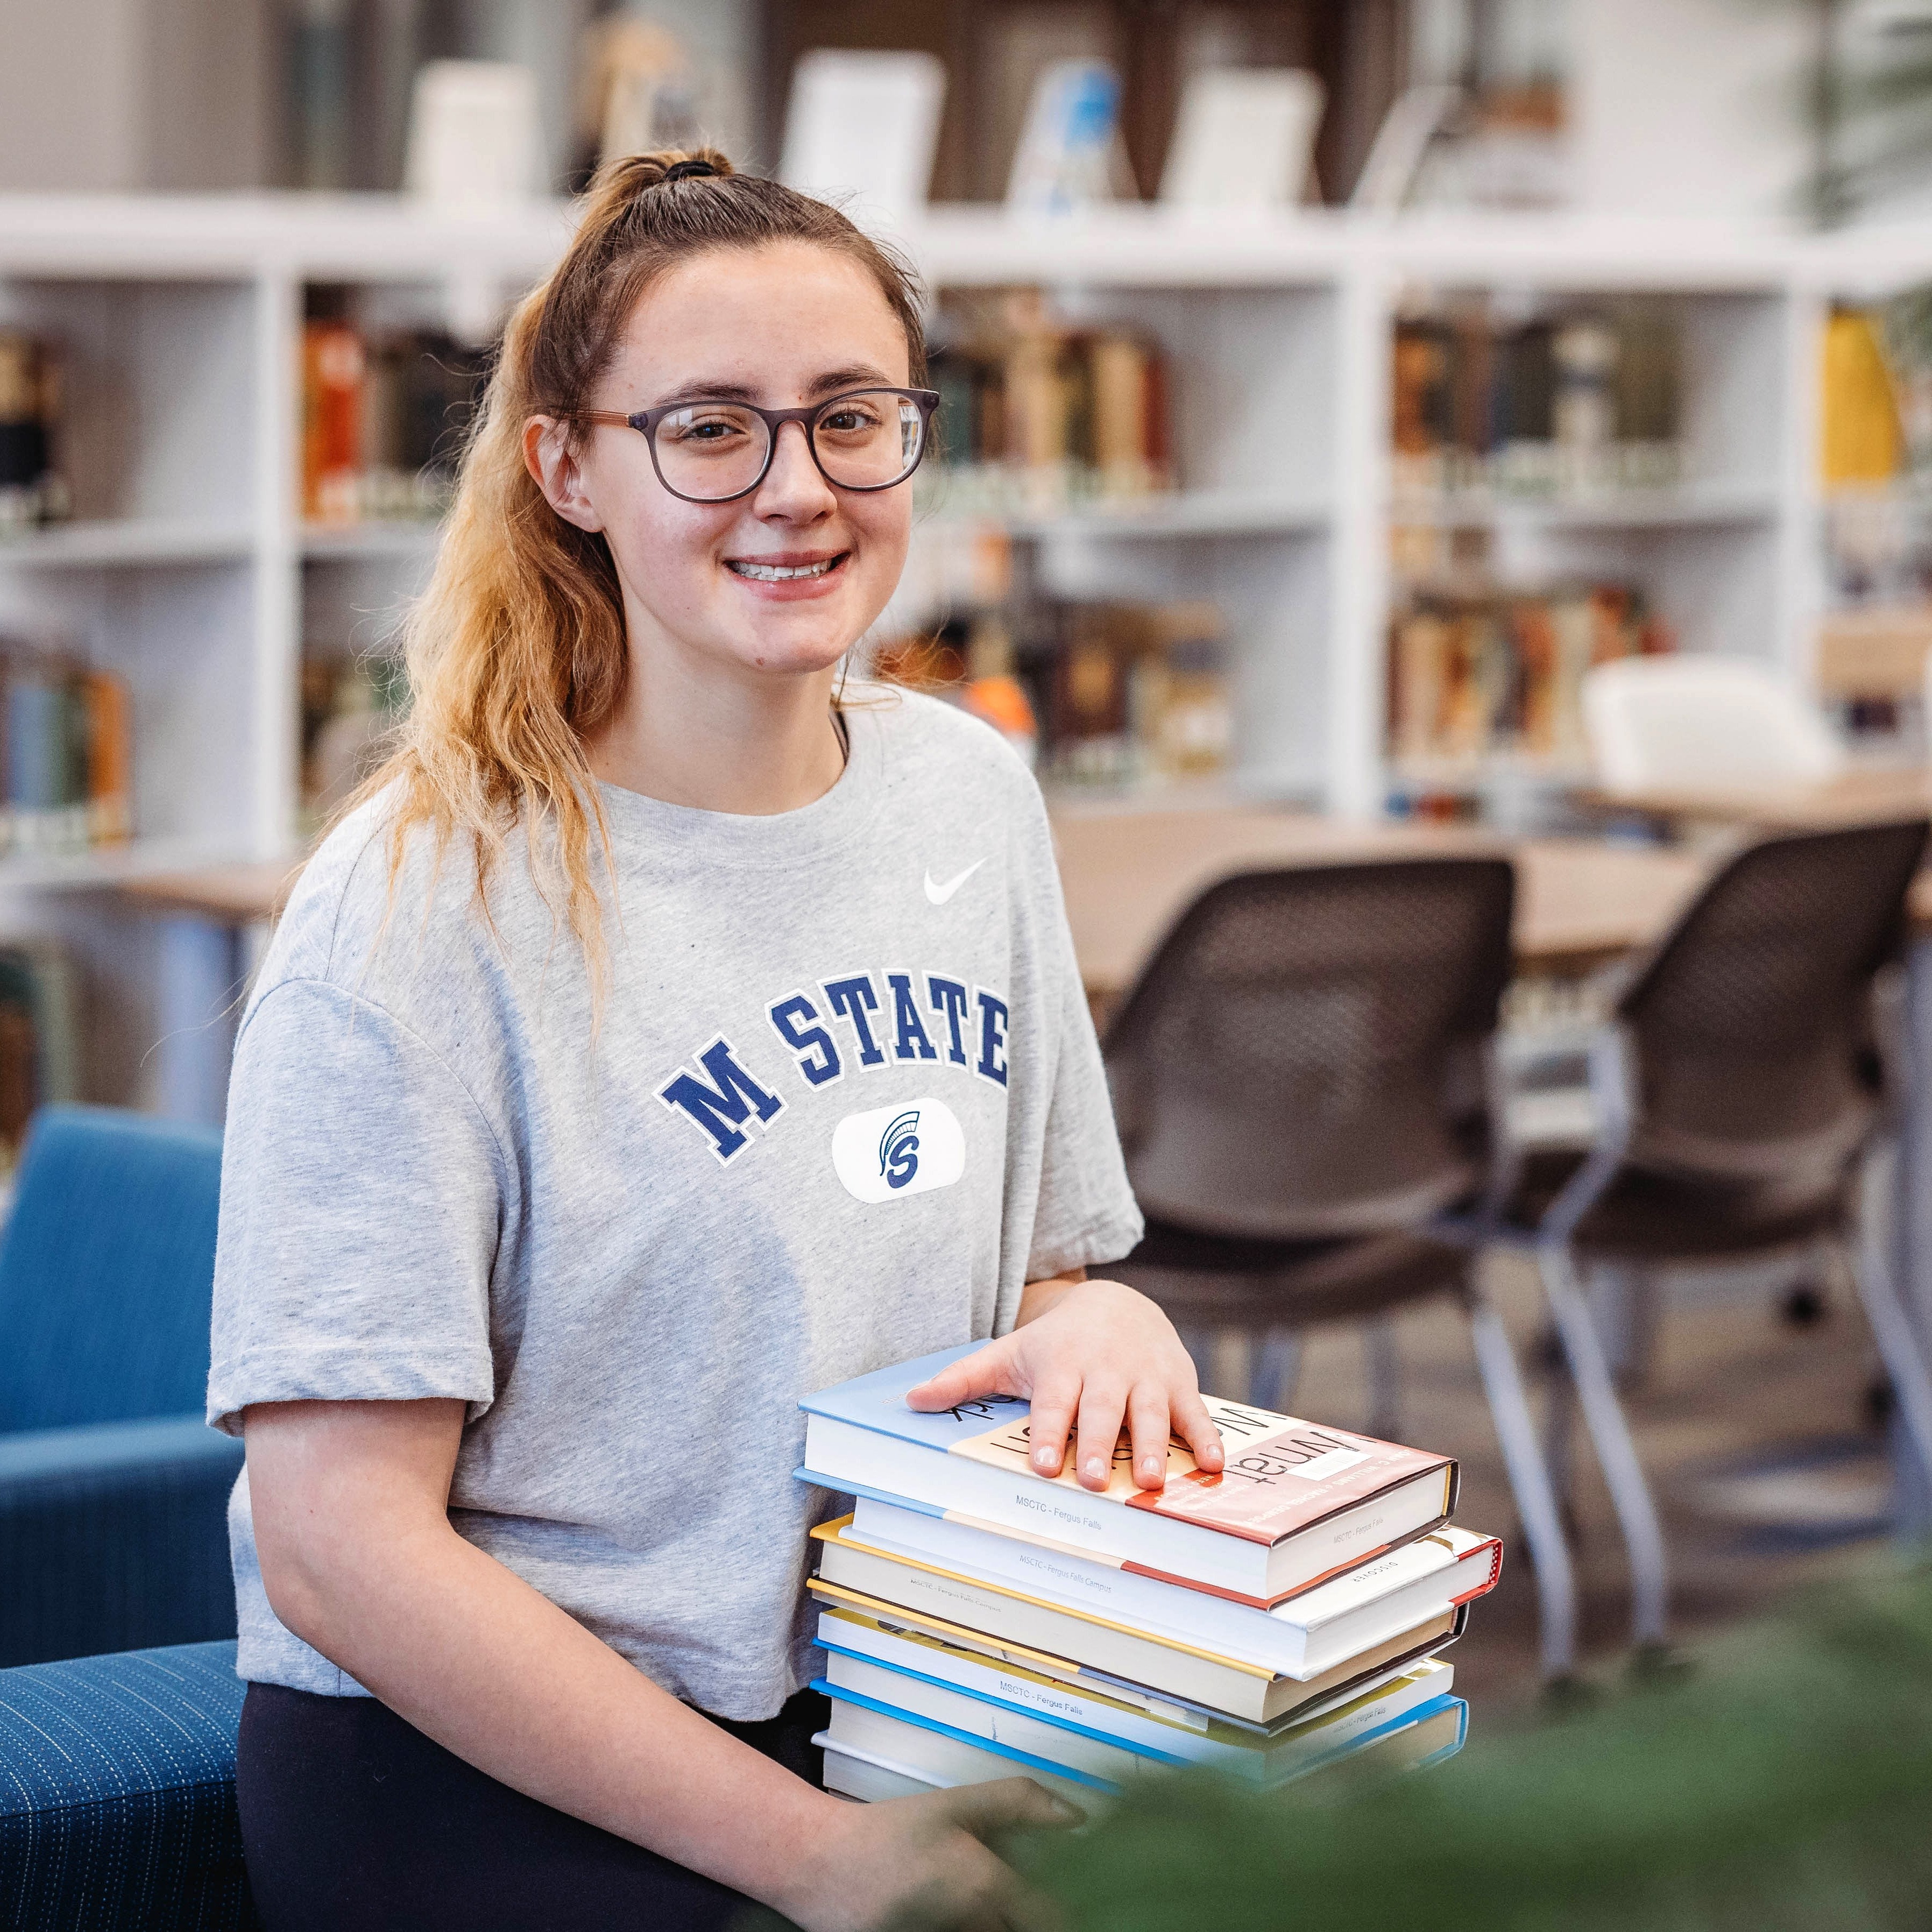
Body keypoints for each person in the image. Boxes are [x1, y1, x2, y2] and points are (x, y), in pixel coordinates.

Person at [208, 148, 1223, 1932]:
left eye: (850, 418)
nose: (796, 490)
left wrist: (1108, 1319)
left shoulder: (969, 794)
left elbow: (1041, 1272)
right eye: (709, 430)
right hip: (489, 1759)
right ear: (570, 468)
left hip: (899, 1694)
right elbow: (339, 1545)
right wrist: (824, 1860)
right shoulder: (419, 906)